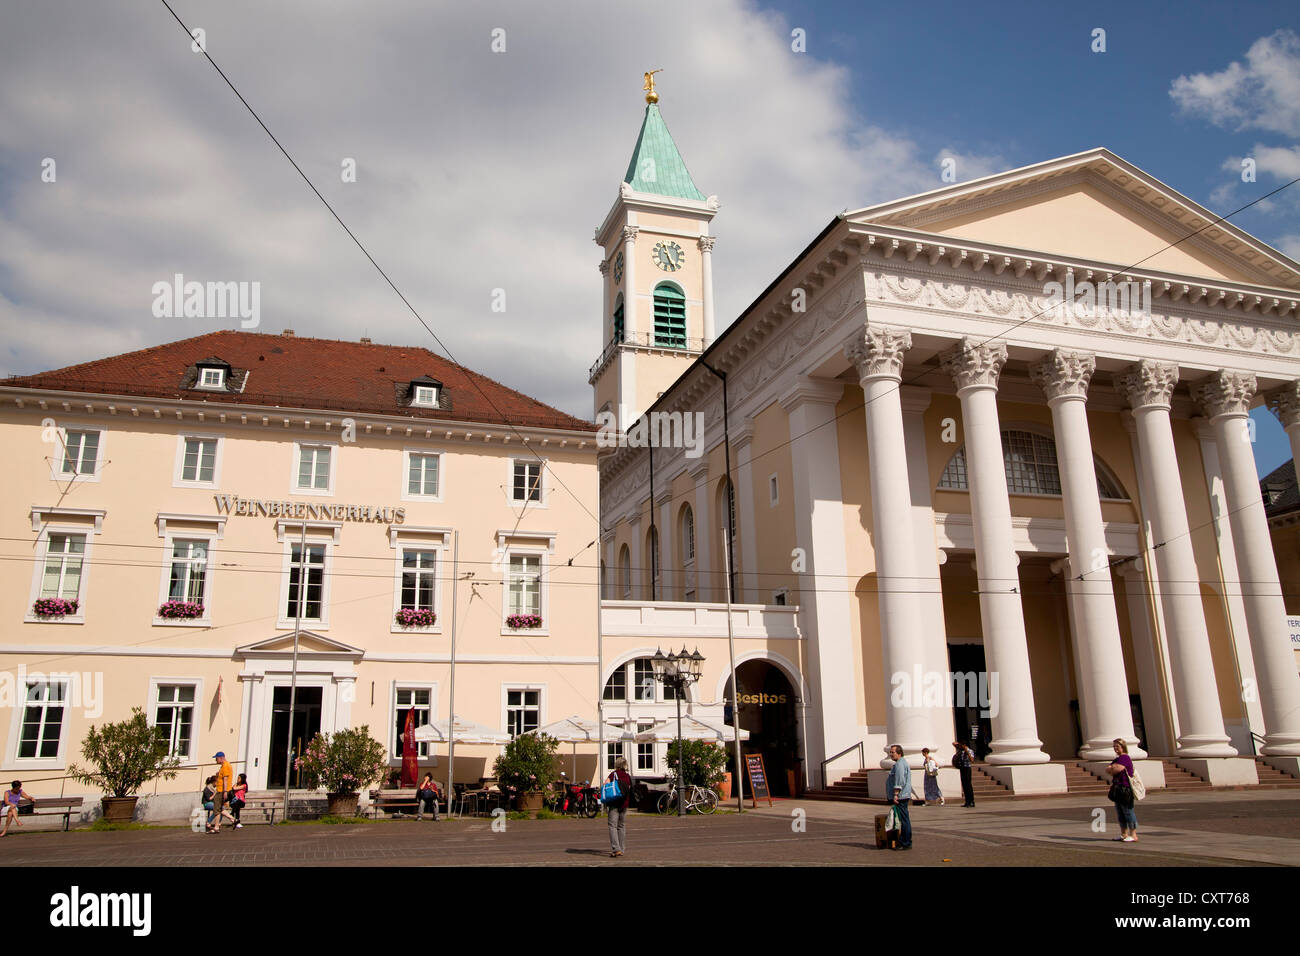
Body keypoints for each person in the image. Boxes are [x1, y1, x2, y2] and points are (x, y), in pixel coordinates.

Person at [1105, 738, 1138, 842]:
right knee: (1120, 812)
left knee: (1128, 811)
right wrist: (1112, 768)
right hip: (1118, 788)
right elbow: (1108, 769)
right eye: (1114, 746)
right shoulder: (1117, 759)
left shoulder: (1124, 758)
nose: (1115, 748)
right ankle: (1124, 834)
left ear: (1123, 747)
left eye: (1117, 746)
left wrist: (1113, 768)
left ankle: (1133, 835)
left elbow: (1116, 769)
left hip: (1125, 788)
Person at [605, 756, 633, 858]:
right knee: (621, 826)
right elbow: (629, 789)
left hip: (614, 803)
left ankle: (616, 849)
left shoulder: (613, 774)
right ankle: (622, 848)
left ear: (616, 765)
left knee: (612, 826)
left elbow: (606, 784)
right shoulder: (627, 776)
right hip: (624, 804)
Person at [886, 745, 912, 850]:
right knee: (903, 819)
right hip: (902, 795)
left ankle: (905, 842)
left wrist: (896, 794)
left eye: (893, 752)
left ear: (899, 753)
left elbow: (899, 780)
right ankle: (905, 840)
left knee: (904, 820)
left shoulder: (900, 764)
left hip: (901, 796)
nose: (891, 754)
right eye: (890, 752)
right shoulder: (900, 763)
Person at [211, 751, 234, 832]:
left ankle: (216, 827)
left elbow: (225, 780)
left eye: (216, 758)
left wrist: (224, 792)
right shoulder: (224, 766)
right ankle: (233, 819)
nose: (215, 760)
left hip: (221, 791)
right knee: (220, 808)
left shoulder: (225, 766)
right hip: (221, 790)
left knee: (217, 809)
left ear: (221, 758)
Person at [952, 741, 975, 807]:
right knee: (964, 785)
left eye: (962, 745)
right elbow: (954, 743)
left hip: (967, 768)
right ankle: (967, 801)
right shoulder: (961, 751)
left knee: (968, 785)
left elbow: (972, 760)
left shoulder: (970, 751)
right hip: (962, 768)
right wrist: (959, 744)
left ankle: (971, 801)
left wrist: (966, 751)